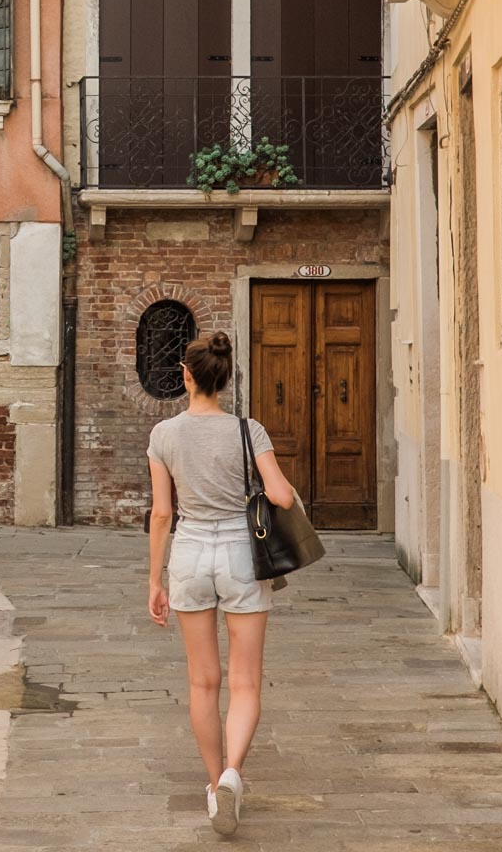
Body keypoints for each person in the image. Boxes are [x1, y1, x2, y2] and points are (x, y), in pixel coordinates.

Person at [145, 331, 298, 837]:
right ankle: (234, 770)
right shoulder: (247, 429)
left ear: (186, 377)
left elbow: (162, 513)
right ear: (224, 379)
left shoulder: (164, 435)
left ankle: (215, 787)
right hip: (240, 553)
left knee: (202, 681)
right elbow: (277, 495)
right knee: (246, 681)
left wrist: (155, 580)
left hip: (188, 554)